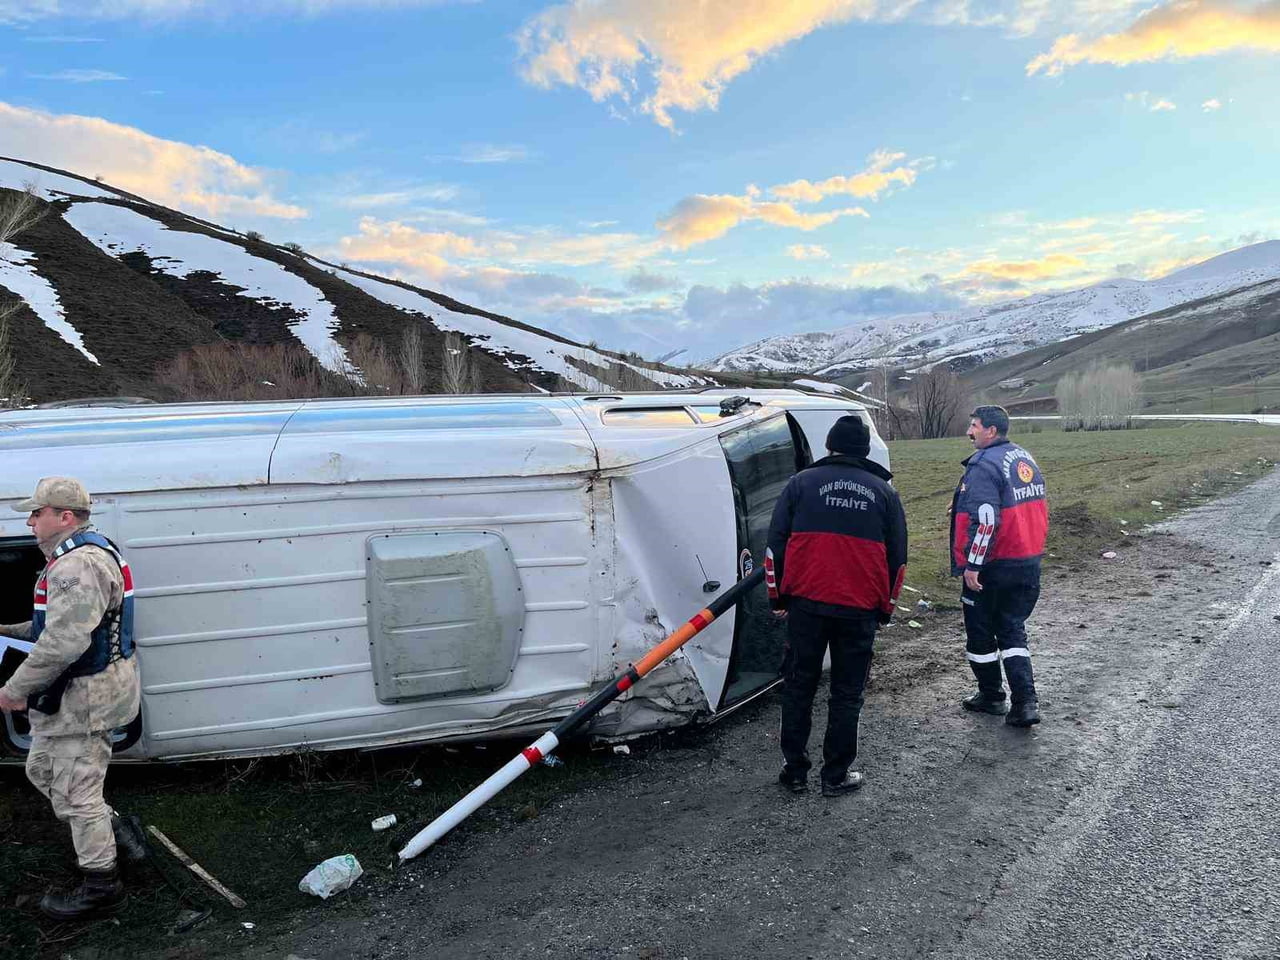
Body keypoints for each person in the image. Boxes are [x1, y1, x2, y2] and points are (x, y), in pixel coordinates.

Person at [0, 477, 141, 919]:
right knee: (43, 769)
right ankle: (119, 834)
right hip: (83, 694)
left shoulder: (76, 566)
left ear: (64, 517)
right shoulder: (80, 556)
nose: (29, 520)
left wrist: (14, 689)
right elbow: (55, 628)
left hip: (85, 700)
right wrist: (7, 632)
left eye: (37, 513)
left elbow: (64, 643)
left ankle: (102, 884)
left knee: (78, 794)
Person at [766, 414, 907, 797]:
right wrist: (886, 609)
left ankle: (794, 770)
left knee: (799, 686)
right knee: (847, 692)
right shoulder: (884, 493)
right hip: (859, 610)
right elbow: (898, 560)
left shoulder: (800, 484)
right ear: (864, 452)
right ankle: (835, 775)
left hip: (806, 606)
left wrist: (777, 597)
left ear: (829, 447)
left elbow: (774, 546)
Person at [950, 406, 1048, 727]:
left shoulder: (982, 465)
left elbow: (987, 520)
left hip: (994, 566)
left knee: (981, 634)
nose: (969, 431)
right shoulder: (1023, 457)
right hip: (1027, 561)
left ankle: (992, 695)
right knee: (1012, 629)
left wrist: (973, 565)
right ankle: (1025, 703)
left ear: (991, 431)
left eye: (974, 425)